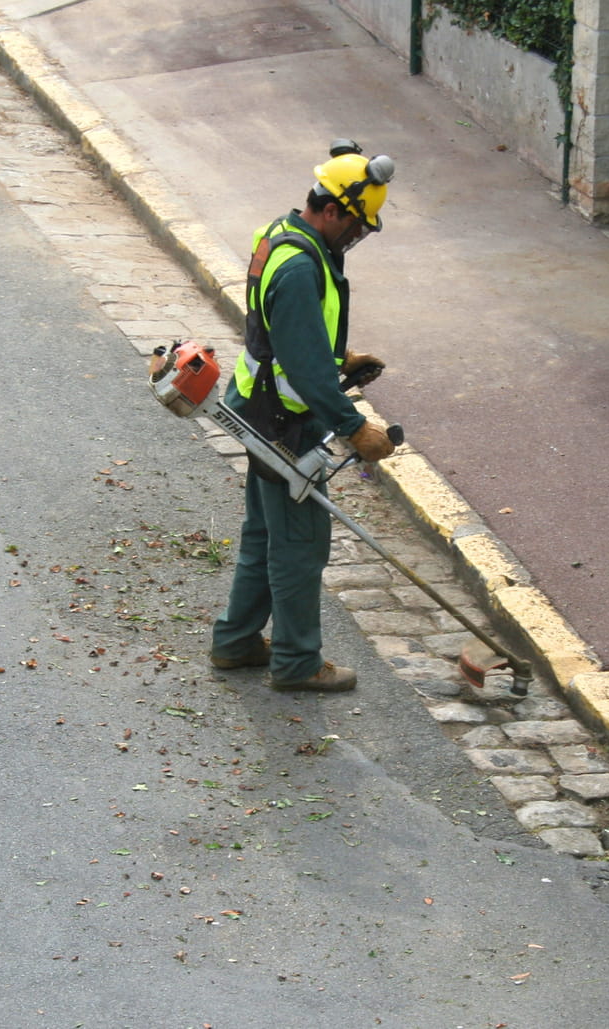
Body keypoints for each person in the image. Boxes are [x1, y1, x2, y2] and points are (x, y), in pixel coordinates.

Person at [208, 141, 398, 692]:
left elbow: (296, 339)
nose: (357, 238)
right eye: (356, 227)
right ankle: (295, 662)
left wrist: (342, 357)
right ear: (332, 209)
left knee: (266, 533)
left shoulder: (282, 236)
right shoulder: (299, 269)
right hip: (284, 425)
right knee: (299, 544)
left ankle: (237, 641)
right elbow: (303, 365)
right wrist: (354, 427)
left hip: (259, 409)